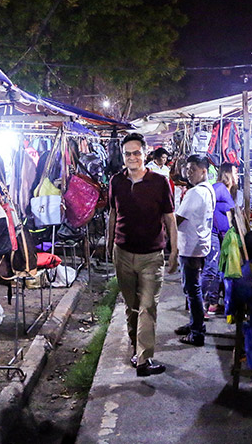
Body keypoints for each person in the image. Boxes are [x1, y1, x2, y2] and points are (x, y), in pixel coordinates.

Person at [107, 132, 178, 377]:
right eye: (128, 154)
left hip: (151, 255)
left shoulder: (159, 182)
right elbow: (113, 214)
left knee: (148, 306)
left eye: (136, 153)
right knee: (132, 306)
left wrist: (174, 250)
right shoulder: (116, 181)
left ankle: (144, 359)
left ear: (145, 153)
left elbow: (169, 218)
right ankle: (137, 349)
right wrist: (110, 244)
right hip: (123, 253)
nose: (132, 158)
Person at [173, 154, 215, 346]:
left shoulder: (195, 193)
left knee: (192, 290)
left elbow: (178, 220)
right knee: (193, 288)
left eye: (192, 170)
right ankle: (194, 324)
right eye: (187, 169)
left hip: (190, 246)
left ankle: (197, 332)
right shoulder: (208, 190)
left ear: (203, 171)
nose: (188, 174)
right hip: (200, 243)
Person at [203, 162, 237, 316]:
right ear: (227, 174)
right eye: (235, 172)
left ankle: (213, 303)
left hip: (222, 236)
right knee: (212, 268)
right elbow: (207, 201)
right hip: (213, 233)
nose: (237, 175)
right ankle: (202, 302)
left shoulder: (229, 192)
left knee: (217, 270)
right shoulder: (219, 188)